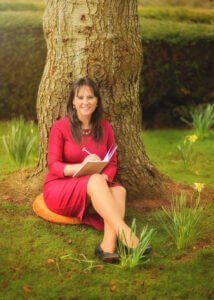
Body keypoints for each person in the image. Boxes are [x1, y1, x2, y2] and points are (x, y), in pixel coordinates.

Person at [43, 77, 151, 263]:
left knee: (119, 190)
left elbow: (112, 162)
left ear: (97, 101)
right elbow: (53, 165)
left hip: (95, 183)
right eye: (81, 97)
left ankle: (107, 247)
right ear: (73, 102)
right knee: (95, 180)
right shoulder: (60, 127)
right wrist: (82, 167)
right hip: (60, 187)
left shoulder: (105, 127)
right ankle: (126, 234)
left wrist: (103, 178)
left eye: (90, 97)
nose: (85, 102)